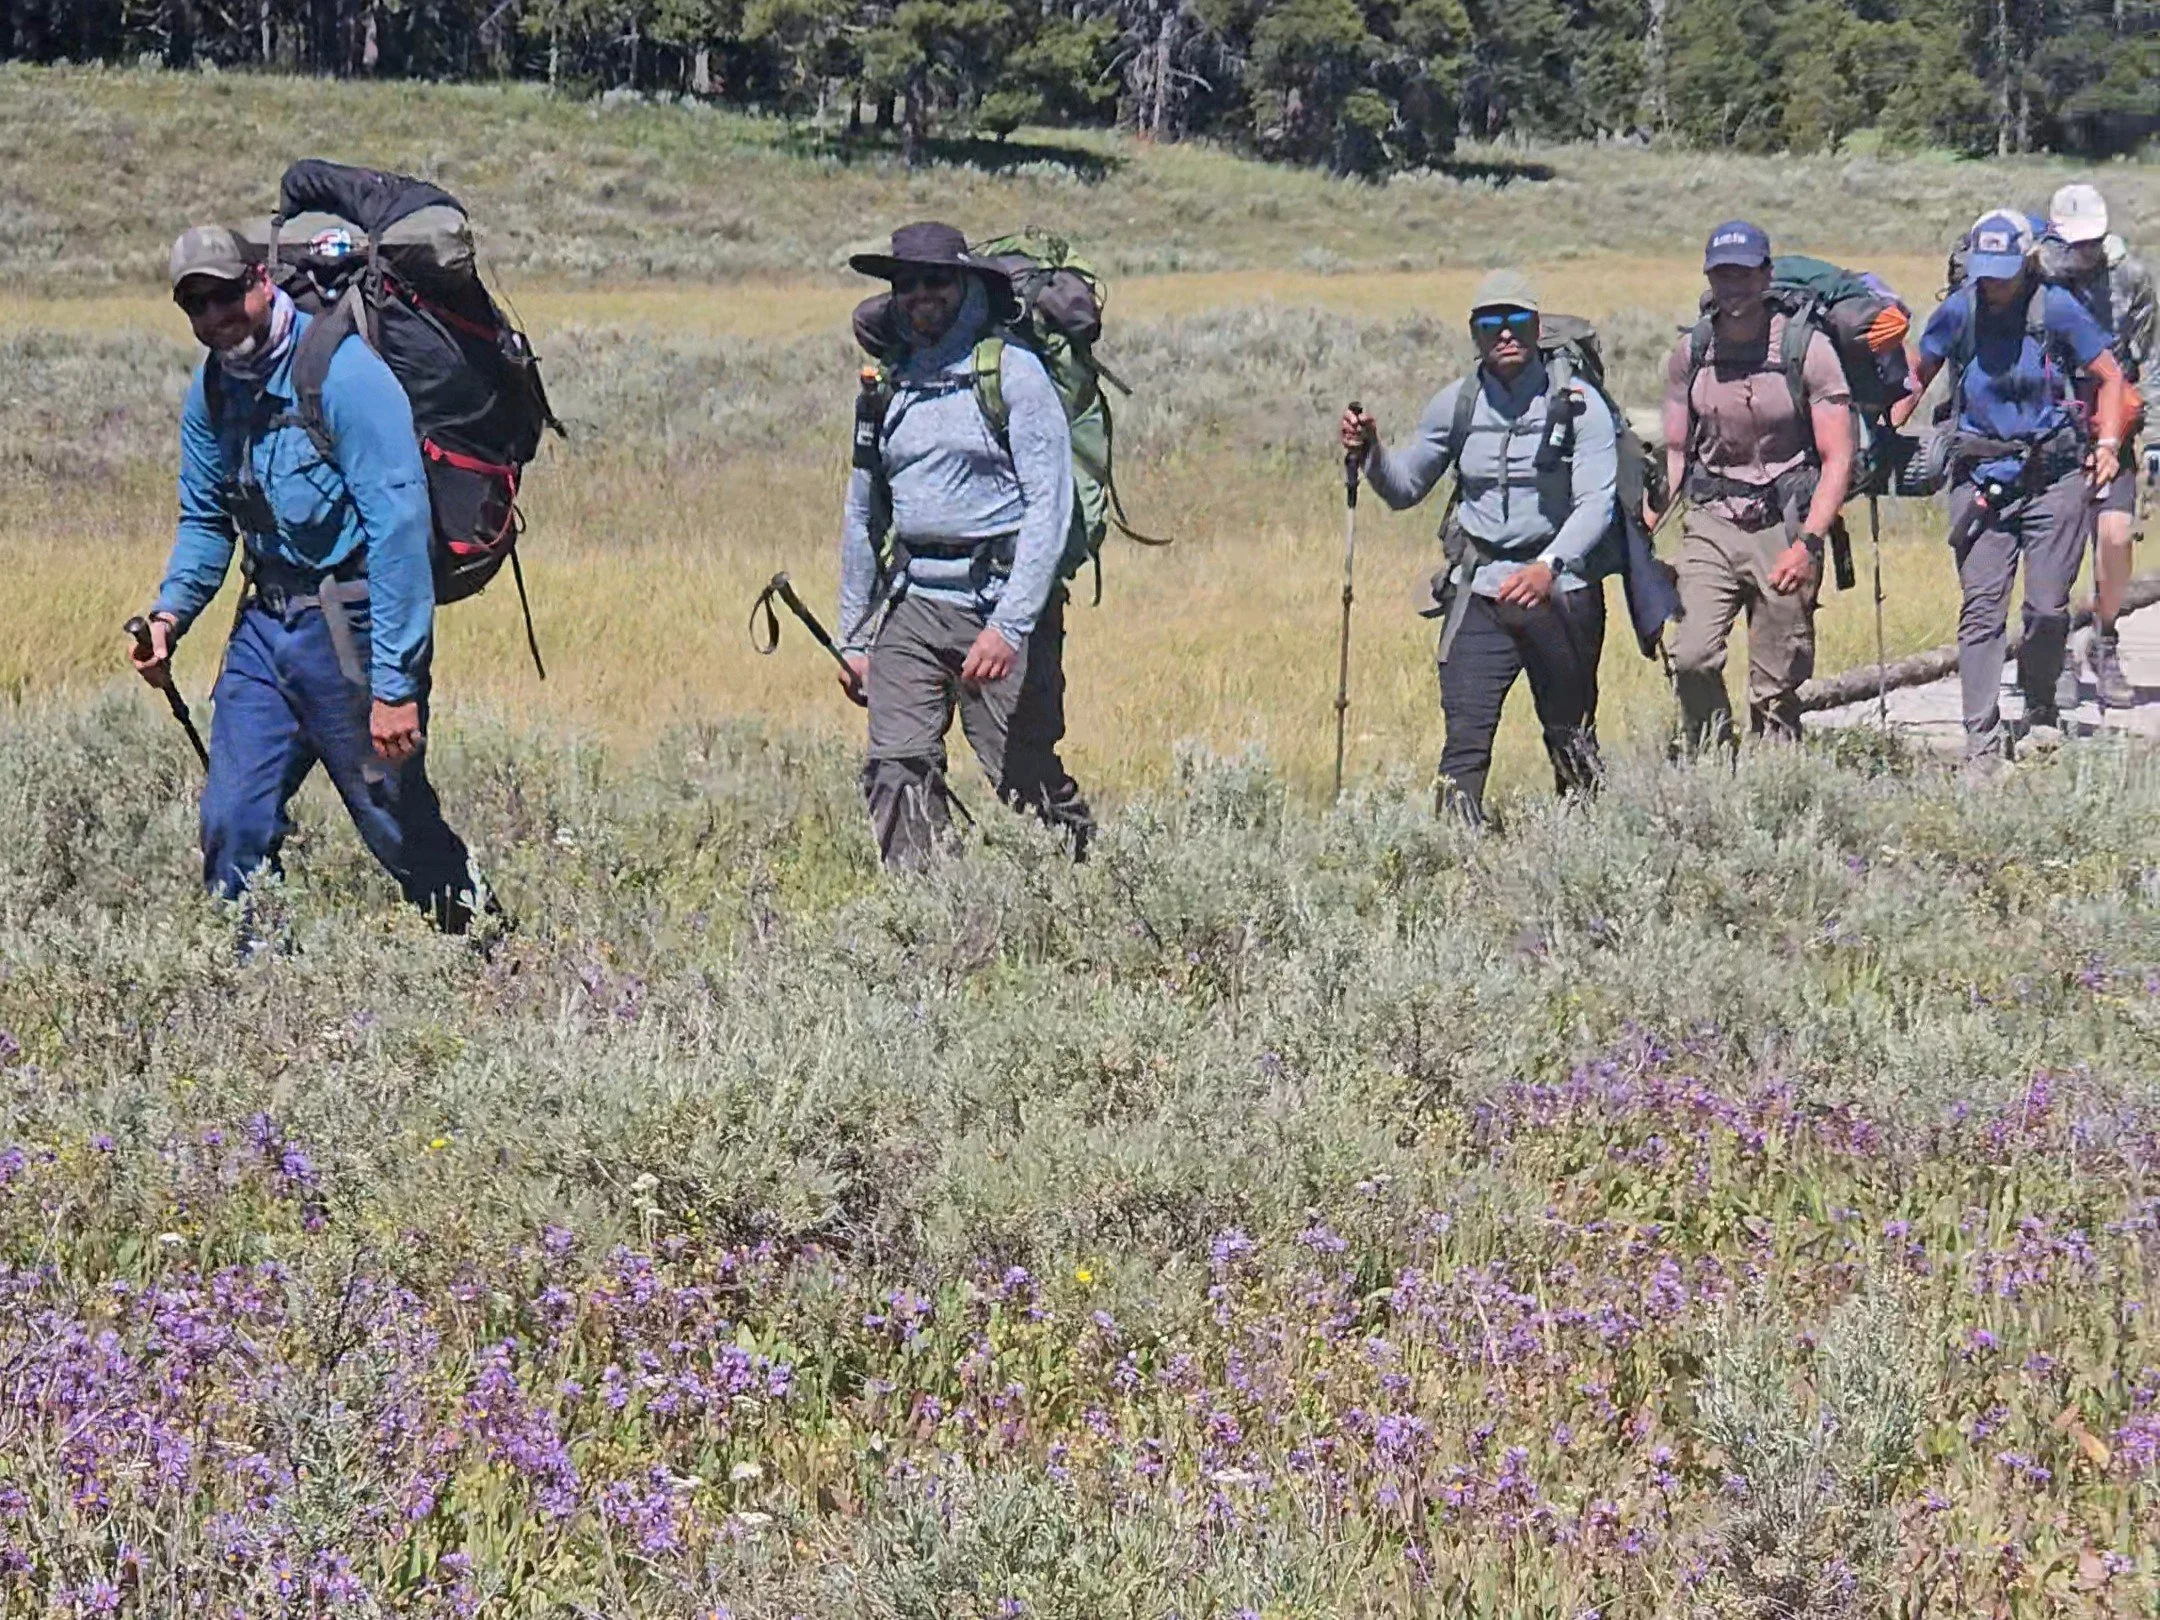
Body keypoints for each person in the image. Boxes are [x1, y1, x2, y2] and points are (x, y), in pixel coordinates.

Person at [128, 226, 482, 930]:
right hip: (265, 632)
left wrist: (395, 688)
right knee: (233, 821)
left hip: (350, 630)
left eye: (224, 294)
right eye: (194, 304)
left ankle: (485, 950)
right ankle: (261, 989)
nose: (213, 316)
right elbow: (206, 523)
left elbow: (399, 534)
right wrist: (169, 616)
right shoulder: (212, 393)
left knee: (396, 824)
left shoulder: (345, 376)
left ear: (260, 279)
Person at [835, 221, 1092, 868]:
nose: (920, 294)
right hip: (910, 604)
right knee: (897, 767)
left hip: (1001, 599)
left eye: (935, 280)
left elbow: (1049, 509)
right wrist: (855, 638)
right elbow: (864, 513)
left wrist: (1008, 628)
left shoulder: (1013, 372)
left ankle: (1087, 897)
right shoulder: (886, 387)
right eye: (906, 282)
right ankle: (929, 924)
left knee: (1023, 777)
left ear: (964, 285)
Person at [1339, 269, 1616, 822]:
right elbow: (1405, 489)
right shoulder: (1456, 404)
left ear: (1538, 328)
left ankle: (1586, 849)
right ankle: (1456, 859)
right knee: (1464, 742)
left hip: (1560, 593)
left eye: (1517, 321)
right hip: (1480, 591)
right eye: (1492, 323)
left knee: (1571, 738)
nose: (1505, 333)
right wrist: (1370, 452)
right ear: (1475, 332)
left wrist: (1548, 568)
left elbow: (1597, 503)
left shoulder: (1581, 404)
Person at [1899, 208, 2135, 760]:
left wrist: (2106, 445)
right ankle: (1980, 738)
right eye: (1986, 269)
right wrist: (1881, 425)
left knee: (2048, 608)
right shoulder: (1958, 310)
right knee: (1983, 608)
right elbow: (1917, 375)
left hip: (2053, 478)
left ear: (2027, 261)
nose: (1995, 281)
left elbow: (2111, 377)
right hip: (1979, 475)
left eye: (2005, 269)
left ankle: (2040, 704)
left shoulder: (2055, 307)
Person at [1655, 221, 1856, 752]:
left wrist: (1808, 544)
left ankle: (1773, 781)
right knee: (1692, 655)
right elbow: (1676, 453)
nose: (1733, 286)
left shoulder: (1806, 350)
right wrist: (1646, 526)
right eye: (1722, 274)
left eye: (1744, 274)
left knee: (1776, 684)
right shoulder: (1690, 352)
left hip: (1784, 524)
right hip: (1713, 521)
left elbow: (1838, 459)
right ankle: (1715, 762)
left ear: (1765, 275)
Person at [2043, 182, 2157, 708]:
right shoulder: (2037, 279)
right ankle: (2062, 650)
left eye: (2092, 242)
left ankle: (2104, 638)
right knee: (2059, 545)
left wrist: (2154, 440)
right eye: (2075, 243)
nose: (2084, 253)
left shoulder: (2131, 280)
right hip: (2053, 428)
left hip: (2116, 422)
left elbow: (2153, 363)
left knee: (2113, 535)